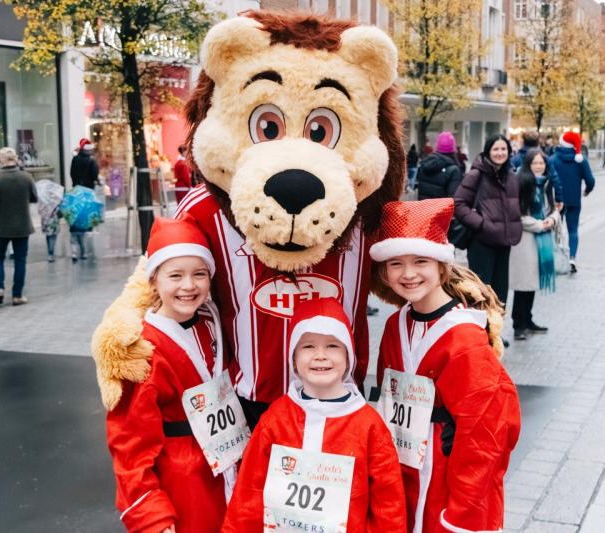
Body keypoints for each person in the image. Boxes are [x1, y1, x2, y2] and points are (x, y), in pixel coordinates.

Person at [370, 198, 521, 533]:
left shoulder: (464, 339)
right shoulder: (397, 324)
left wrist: (462, 514)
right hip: (403, 467)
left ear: (441, 266)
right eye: (396, 264)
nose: (408, 274)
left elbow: (486, 434)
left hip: (444, 477)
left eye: (420, 261)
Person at [106, 216, 246, 533]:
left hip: (229, 463)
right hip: (183, 482)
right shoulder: (141, 349)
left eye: (199, 274)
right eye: (175, 275)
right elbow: (129, 444)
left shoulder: (212, 324)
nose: (188, 285)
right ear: (153, 280)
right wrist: (152, 515)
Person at [222, 297, 407, 532]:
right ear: (294, 360)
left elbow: (388, 504)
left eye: (332, 346)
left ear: (348, 356)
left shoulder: (369, 425)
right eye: (308, 346)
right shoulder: (276, 418)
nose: (321, 355)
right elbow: (250, 493)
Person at [453, 134, 522, 312]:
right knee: (481, 292)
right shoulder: (476, 174)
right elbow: (459, 204)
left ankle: (495, 335)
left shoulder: (512, 176)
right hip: (481, 243)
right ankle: (481, 335)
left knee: (500, 293)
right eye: (496, 149)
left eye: (503, 149)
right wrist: (481, 224)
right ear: (488, 151)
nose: (500, 153)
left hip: (504, 242)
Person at [510, 149, 560, 340]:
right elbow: (518, 215)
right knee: (524, 284)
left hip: (542, 238)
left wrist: (552, 220)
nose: (539, 167)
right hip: (525, 240)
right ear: (527, 165)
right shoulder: (521, 183)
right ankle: (518, 324)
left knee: (532, 284)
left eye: (542, 163)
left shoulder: (546, 183)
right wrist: (540, 224)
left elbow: (554, 208)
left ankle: (528, 319)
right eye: (535, 163)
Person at [0, 147, 37, 306]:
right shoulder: (26, 177)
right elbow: (34, 198)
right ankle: (17, 295)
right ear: (15, 159)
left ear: (2, 160)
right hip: (22, 226)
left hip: (2, 227)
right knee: (20, 260)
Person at [549, 131, 595, 274]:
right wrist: (587, 190)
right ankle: (572, 258)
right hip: (574, 200)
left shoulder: (552, 160)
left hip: (556, 200)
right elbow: (591, 180)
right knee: (573, 230)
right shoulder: (581, 161)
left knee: (555, 228)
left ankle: (555, 257)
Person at [416, 131, 463, 201]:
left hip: (422, 210)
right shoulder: (454, 170)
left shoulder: (425, 163)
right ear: (453, 148)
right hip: (442, 211)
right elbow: (454, 199)